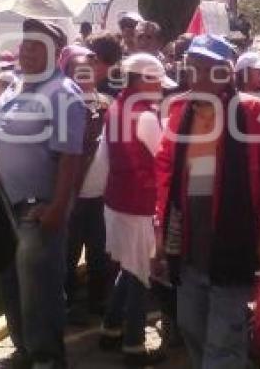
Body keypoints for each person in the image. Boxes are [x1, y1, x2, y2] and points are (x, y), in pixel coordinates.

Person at [155, 34, 260, 369]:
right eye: (192, 67)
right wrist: (161, 226)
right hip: (188, 243)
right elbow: (167, 170)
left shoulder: (254, 111)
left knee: (223, 340)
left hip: (234, 245)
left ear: (225, 73)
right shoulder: (180, 112)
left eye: (205, 68)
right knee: (190, 324)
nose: (195, 75)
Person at [0, 19, 87, 368]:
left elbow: (70, 156)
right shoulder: (16, 85)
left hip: (39, 206)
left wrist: (59, 206)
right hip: (6, 203)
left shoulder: (63, 92)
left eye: (38, 46)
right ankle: (24, 351)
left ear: (56, 53)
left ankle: (47, 359)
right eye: (26, 44)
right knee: (12, 282)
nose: (28, 51)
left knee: (39, 290)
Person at [100, 53, 171, 365]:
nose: (161, 89)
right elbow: (162, 157)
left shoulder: (115, 106)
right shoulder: (143, 114)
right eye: (157, 82)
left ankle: (110, 329)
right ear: (143, 79)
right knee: (141, 273)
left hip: (116, 200)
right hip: (139, 204)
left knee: (130, 268)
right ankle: (133, 346)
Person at [59, 45, 113, 320]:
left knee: (99, 252)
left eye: (88, 69)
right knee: (68, 253)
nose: (85, 74)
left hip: (101, 195)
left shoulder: (107, 103)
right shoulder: (63, 106)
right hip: (73, 195)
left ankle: (97, 301)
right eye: (78, 70)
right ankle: (66, 305)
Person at [87, 32, 124, 98]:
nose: (88, 65)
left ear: (110, 63)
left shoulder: (118, 92)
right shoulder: (86, 86)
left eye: (95, 62)